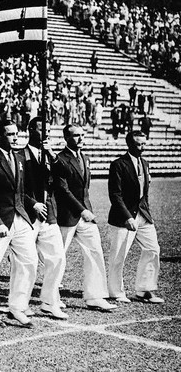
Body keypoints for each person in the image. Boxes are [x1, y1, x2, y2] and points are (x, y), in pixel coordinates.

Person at [0, 119, 38, 328]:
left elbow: (20, 193)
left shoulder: (19, 158)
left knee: (29, 262)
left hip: (19, 219)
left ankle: (17, 307)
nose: (15, 137)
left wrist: (32, 205)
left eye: (16, 133)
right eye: (10, 134)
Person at [53, 125, 117, 312]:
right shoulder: (60, 160)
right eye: (76, 135)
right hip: (67, 215)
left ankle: (95, 296)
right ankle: (53, 296)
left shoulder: (85, 158)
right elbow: (62, 190)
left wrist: (85, 210)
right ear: (66, 137)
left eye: (82, 135)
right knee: (58, 256)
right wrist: (82, 210)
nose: (81, 138)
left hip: (85, 214)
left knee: (95, 251)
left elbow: (84, 189)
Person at [107, 131, 164, 304]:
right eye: (138, 144)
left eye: (144, 144)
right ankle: (116, 292)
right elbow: (115, 195)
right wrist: (127, 217)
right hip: (123, 217)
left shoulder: (145, 163)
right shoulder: (118, 164)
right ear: (129, 145)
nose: (142, 147)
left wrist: (145, 213)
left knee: (153, 249)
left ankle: (144, 289)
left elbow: (144, 194)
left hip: (143, 215)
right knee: (119, 255)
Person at [21, 117, 68, 319]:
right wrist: (32, 203)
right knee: (25, 263)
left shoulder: (50, 156)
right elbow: (13, 189)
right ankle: (20, 303)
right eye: (41, 129)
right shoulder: (19, 156)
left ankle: (49, 301)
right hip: (27, 215)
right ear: (31, 130)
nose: (46, 133)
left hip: (49, 214)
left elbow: (64, 174)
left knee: (57, 257)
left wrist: (50, 153)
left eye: (48, 130)